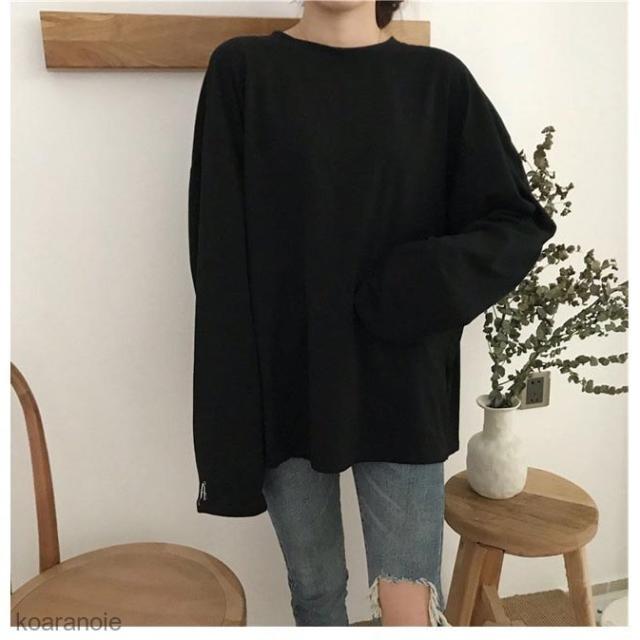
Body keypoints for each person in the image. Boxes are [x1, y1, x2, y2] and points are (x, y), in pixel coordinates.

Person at [187, 0, 557, 627]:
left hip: (402, 382)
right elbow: (216, 247)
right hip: (287, 381)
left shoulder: (437, 82)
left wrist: (412, 285)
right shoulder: (243, 72)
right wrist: (231, 405)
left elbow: (516, 223)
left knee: (408, 602)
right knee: (315, 590)